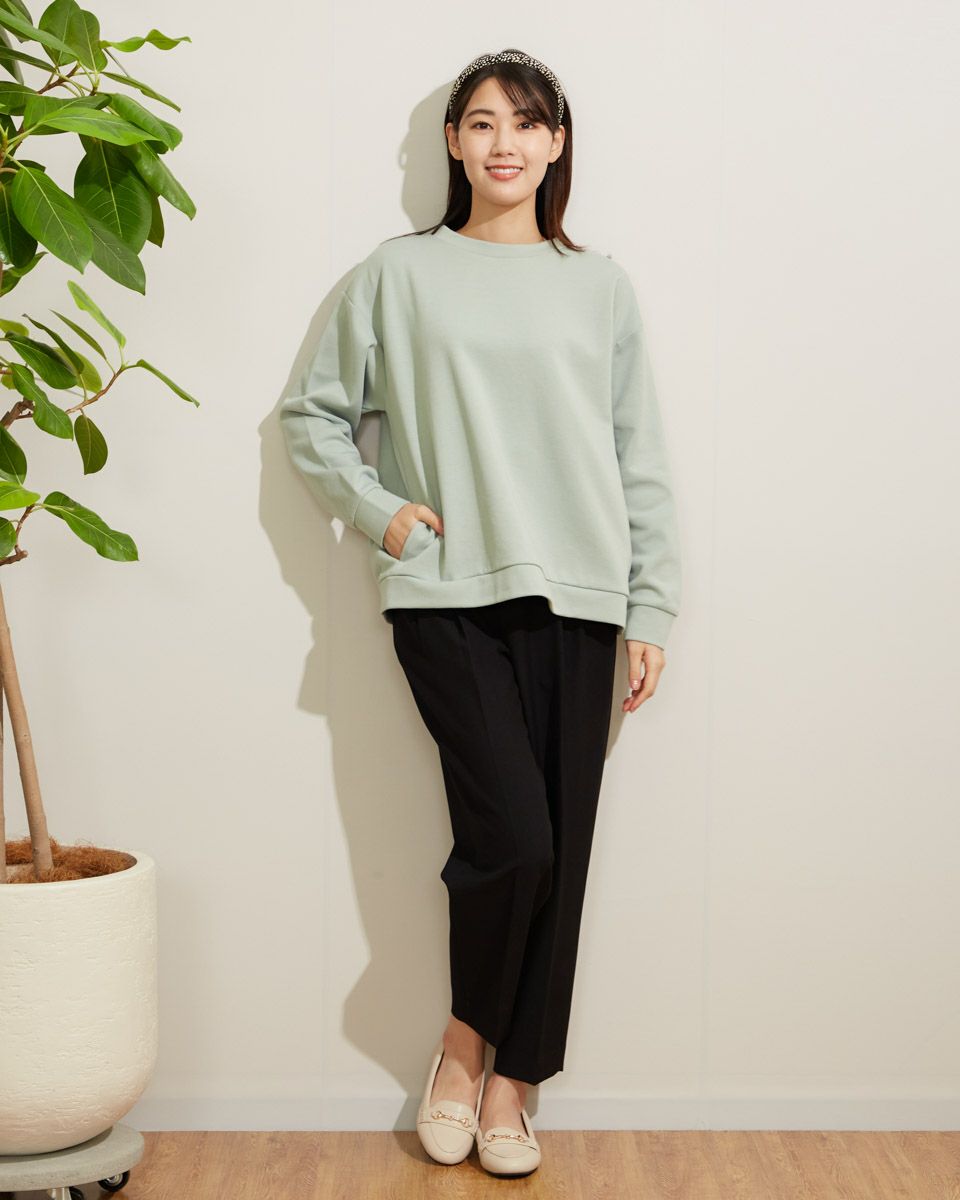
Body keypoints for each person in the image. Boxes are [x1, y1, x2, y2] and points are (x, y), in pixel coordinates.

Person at [279, 47, 682, 1178]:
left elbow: (639, 458)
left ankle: (515, 1084)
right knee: (514, 839)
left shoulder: (600, 288)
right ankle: (463, 1047)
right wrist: (381, 516)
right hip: (445, 593)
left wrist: (652, 606)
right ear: (453, 143)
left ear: (557, 145)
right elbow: (310, 417)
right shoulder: (398, 275)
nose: (505, 141)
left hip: (584, 601)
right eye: (482, 122)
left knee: (564, 852)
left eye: (527, 122)